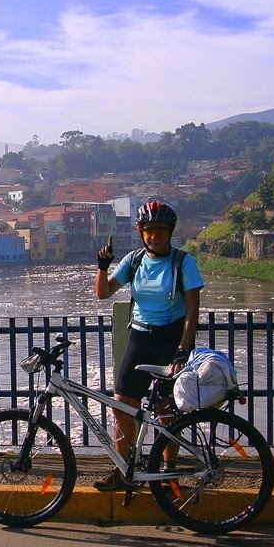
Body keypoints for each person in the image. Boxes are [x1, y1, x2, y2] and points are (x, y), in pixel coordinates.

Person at [93, 200, 204, 491]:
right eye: (149, 230)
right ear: (141, 232)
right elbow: (104, 294)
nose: (155, 236)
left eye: (161, 230)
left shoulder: (183, 262)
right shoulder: (134, 260)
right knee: (122, 406)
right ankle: (124, 468)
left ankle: (169, 471)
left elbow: (193, 310)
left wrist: (183, 348)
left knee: (167, 411)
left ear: (170, 232)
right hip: (140, 337)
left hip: (170, 338)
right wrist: (102, 267)